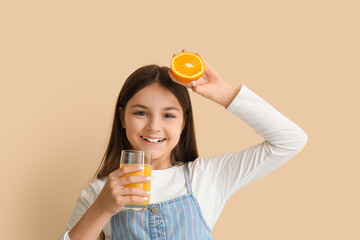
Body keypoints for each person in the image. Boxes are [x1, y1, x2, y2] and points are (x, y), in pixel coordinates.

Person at [59, 50, 308, 240]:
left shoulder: (208, 176)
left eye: (168, 115)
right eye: (141, 113)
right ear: (122, 117)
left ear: (183, 123)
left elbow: (290, 140)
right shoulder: (100, 191)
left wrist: (224, 93)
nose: (154, 127)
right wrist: (101, 209)